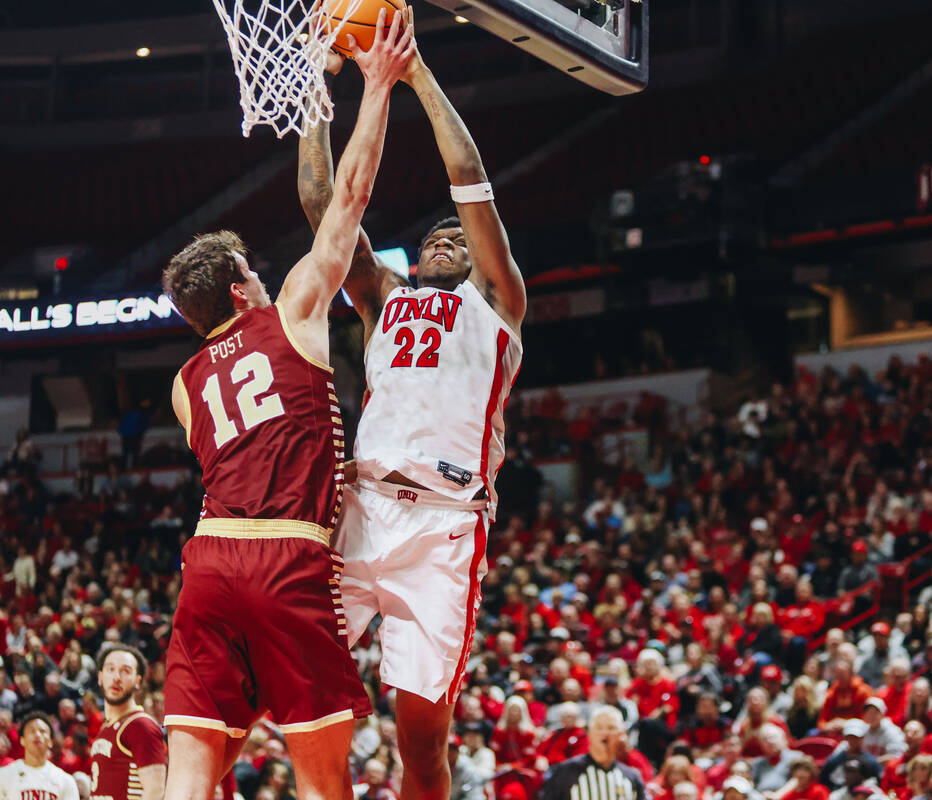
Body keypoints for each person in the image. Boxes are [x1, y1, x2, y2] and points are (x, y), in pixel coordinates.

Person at [159, 14, 416, 800]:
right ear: (242, 290)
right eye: (255, 273)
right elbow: (349, 196)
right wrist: (375, 87)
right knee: (320, 778)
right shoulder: (295, 312)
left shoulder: (183, 383)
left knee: (191, 776)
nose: (269, 278)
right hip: (286, 560)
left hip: (207, 563)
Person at [297, 14, 527, 798]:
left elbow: (472, 187)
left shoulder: (497, 302)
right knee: (298, 697)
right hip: (362, 508)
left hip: (445, 525)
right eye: (433, 237)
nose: (444, 239)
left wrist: (414, 73)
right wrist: (318, 86)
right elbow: (321, 200)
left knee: (422, 745)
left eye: (455, 240)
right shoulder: (381, 298)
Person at [89, 644, 166, 800]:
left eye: (125, 671)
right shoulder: (107, 726)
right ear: (100, 677)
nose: (116, 677)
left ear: (138, 681)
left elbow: (155, 791)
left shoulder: (140, 725)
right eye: (110, 669)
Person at [538, 708, 642, 800]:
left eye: (611, 728)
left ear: (621, 734)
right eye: (599, 727)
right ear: (589, 733)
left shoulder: (631, 777)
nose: (605, 733)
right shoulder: (566, 772)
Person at [0, 712, 78, 800]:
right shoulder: (3, 775)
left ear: (50, 741)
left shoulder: (65, 780)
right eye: (32, 731)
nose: (37, 735)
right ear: (22, 740)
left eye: (42, 731)